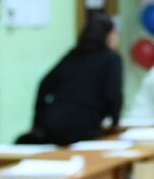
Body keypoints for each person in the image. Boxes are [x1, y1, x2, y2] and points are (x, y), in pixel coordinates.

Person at [23, 13, 123, 145]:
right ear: (108, 36)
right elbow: (114, 95)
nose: (117, 38)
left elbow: (43, 84)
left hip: (53, 123)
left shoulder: (73, 56)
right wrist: (115, 122)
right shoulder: (112, 58)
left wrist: (37, 123)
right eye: (115, 33)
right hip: (84, 126)